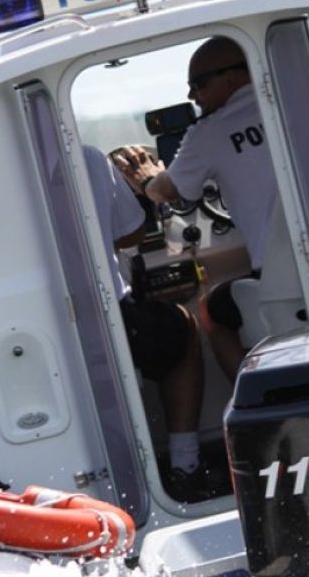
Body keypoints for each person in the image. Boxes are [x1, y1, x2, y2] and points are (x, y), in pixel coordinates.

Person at [114, 36, 277, 380]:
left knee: (211, 312)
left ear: (231, 78)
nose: (192, 97)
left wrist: (146, 179)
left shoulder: (210, 132)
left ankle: (253, 405)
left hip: (276, 278)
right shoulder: (290, 102)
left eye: (198, 84)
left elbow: (167, 191)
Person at [82, 144, 222, 502]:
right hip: (110, 311)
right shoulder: (86, 156)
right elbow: (132, 234)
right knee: (181, 326)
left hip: (64, 325)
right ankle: (185, 466)